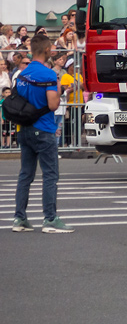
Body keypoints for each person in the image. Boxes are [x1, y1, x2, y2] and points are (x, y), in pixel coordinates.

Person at [11, 34, 73, 233]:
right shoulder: (48, 75)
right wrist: (61, 90)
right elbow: (53, 104)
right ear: (47, 51)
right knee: (50, 175)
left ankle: (19, 218)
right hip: (44, 129)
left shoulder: (22, 74)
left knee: (25, 175)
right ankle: (50, 219)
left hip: (24, 129)